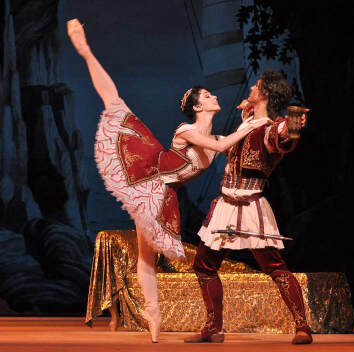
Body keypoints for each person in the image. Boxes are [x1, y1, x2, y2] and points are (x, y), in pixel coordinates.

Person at [67, 19, 267, 343]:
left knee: (148, 258)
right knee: (115, 104)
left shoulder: (216, 135)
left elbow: (225, 142)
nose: (214, 95)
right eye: (208, 94)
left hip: (166, 194)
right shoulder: (186, 131)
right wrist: (249, 123)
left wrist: (250, 118)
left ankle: (153, 314)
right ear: (199, 106)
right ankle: (85, 50)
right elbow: (219, 145)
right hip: (149, 180)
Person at [184, 70, 313, 345]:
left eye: (255, 87)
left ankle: (302, 326)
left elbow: (282, 137)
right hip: (225, 204)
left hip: (250, 205)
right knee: (204, 265)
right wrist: (248, 109)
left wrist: (293, 123)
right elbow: (247, 123)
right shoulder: (249, 122)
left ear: (264, 94)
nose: (250, 90)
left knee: (275, 267)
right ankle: (213, 328)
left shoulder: (268, 127)